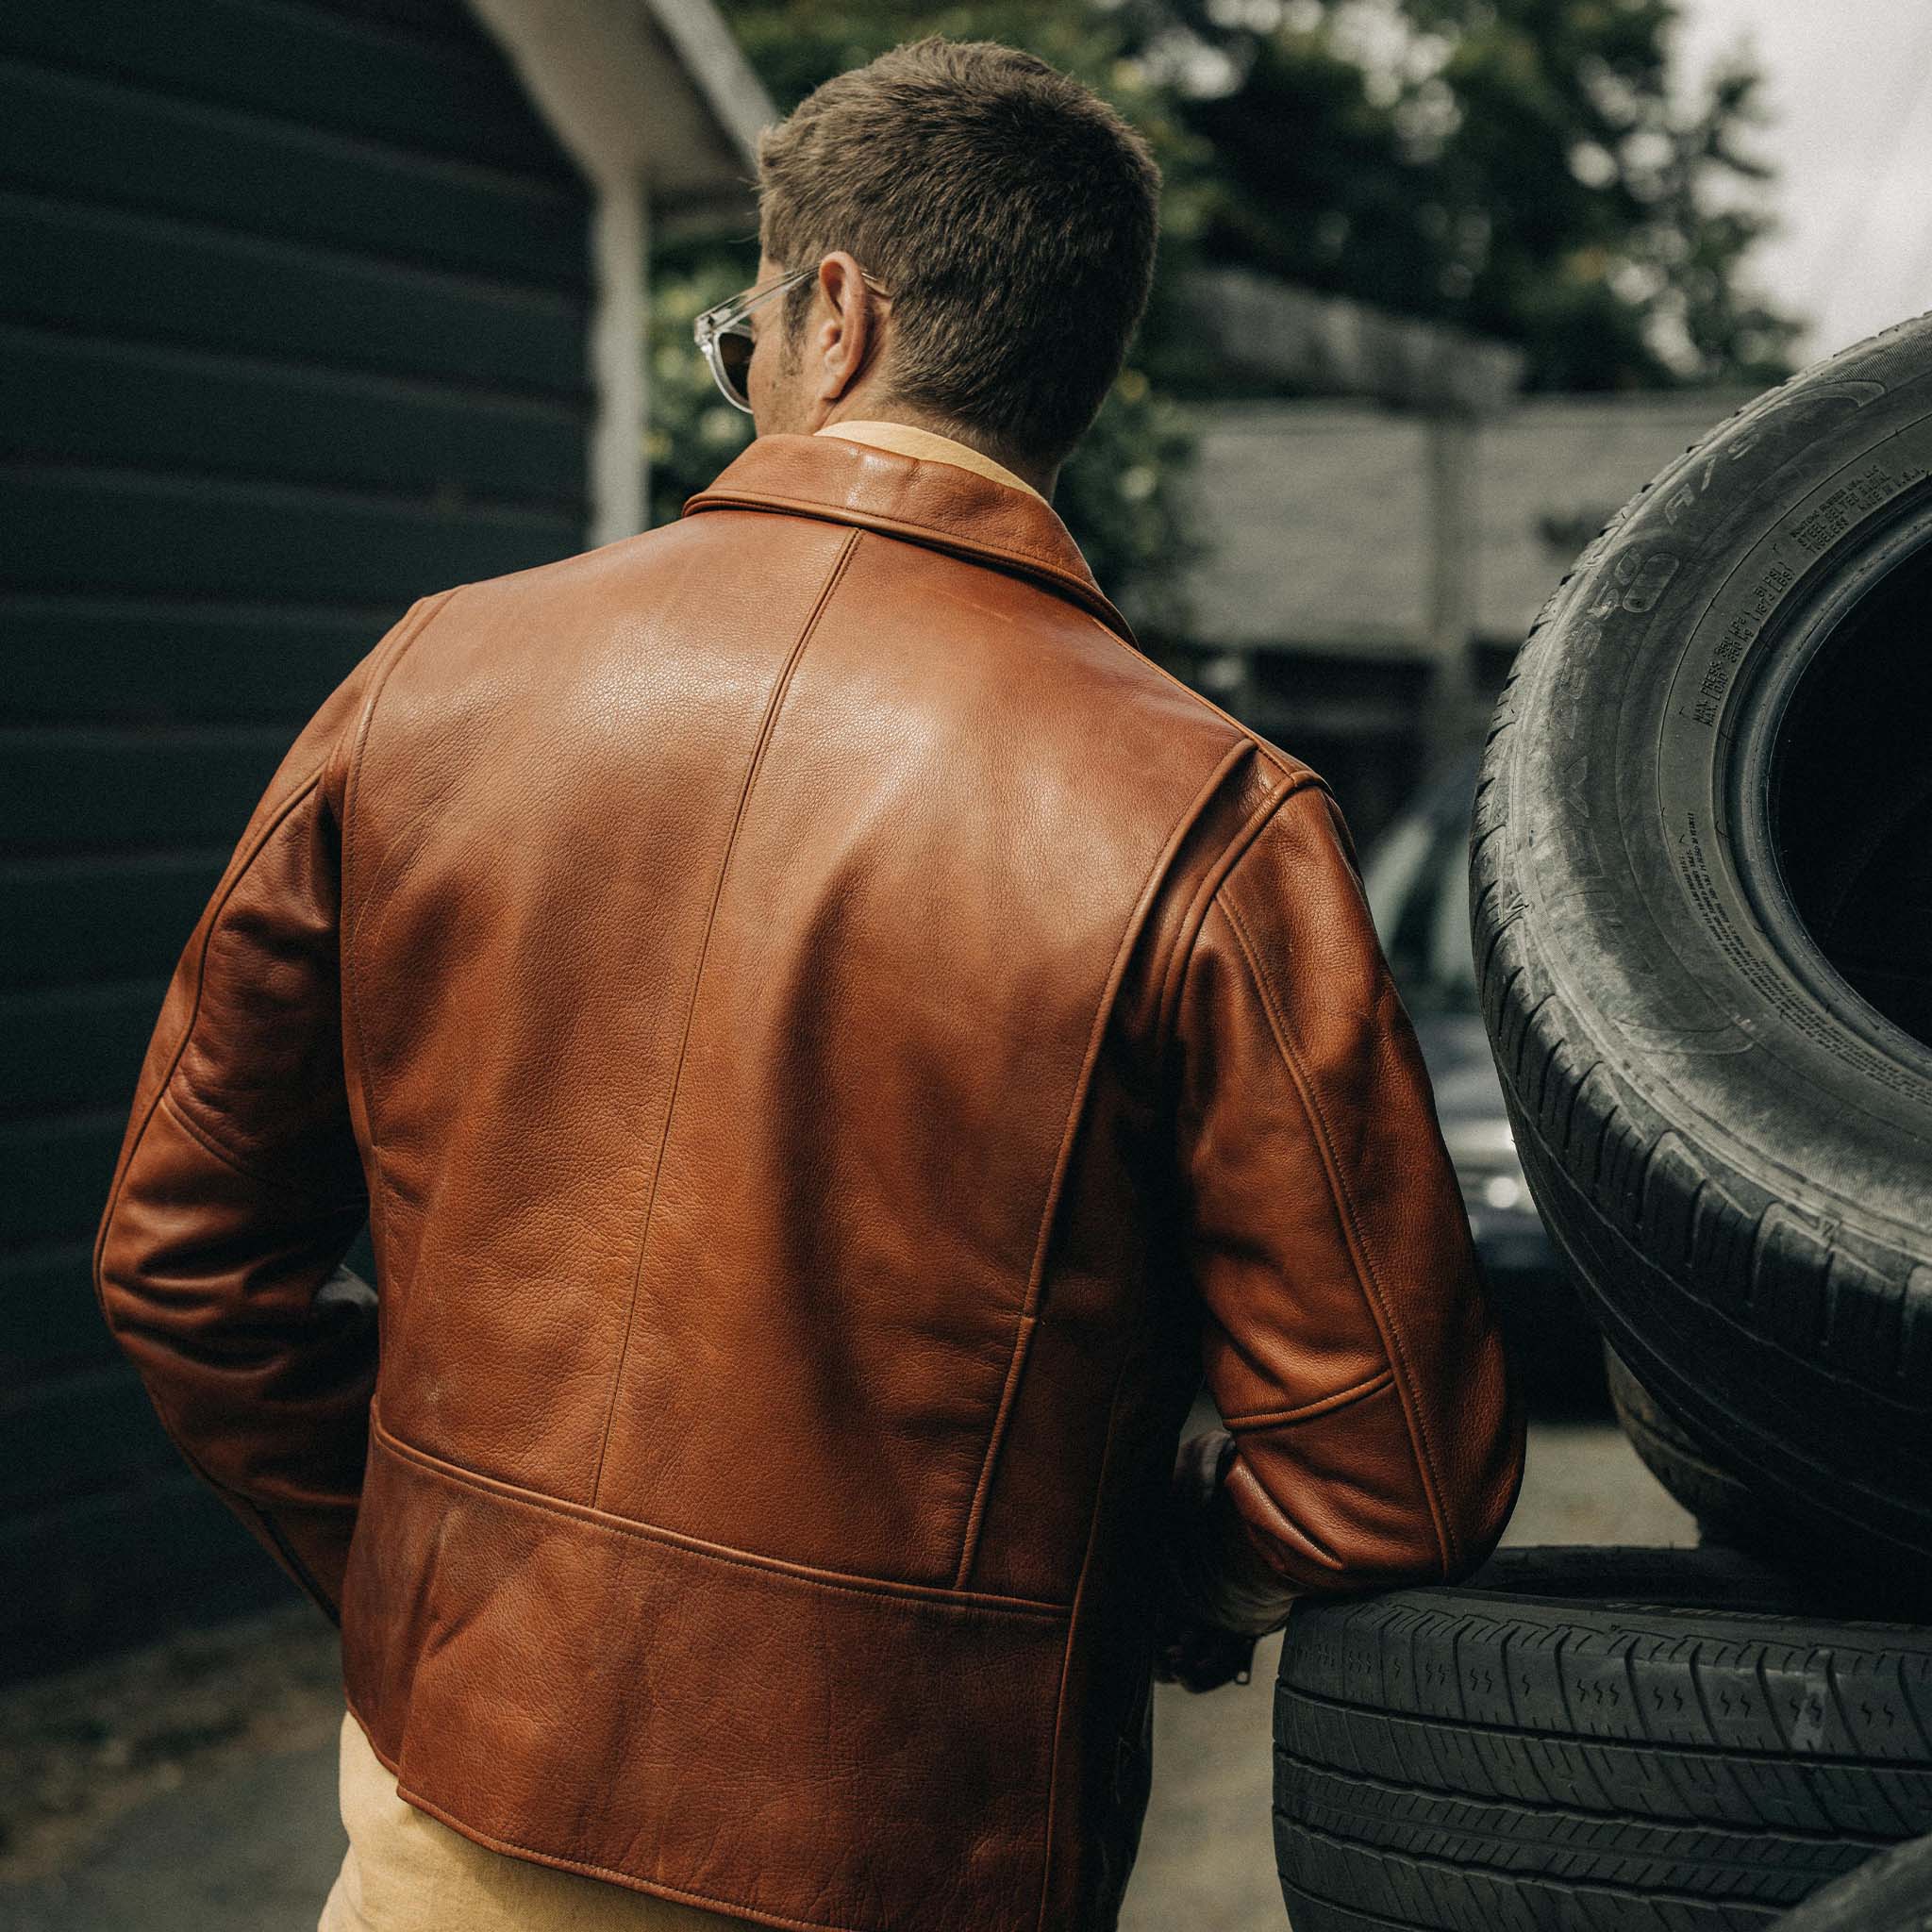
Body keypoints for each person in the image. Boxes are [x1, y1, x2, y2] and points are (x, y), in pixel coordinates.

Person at [92, 33, 1524, 1932]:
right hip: (920, 1853)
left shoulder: (429, 679)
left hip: (459, 1814)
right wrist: (1149, 1581)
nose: (740, 378)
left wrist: (453, 1590)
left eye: (736, 340)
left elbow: (186, 1265)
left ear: (831, 314)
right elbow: (1390, 1484)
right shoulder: (1211, 823)